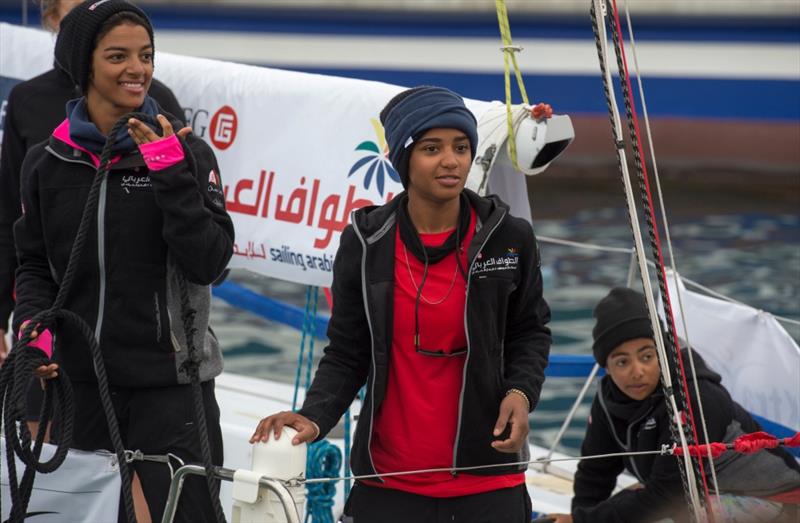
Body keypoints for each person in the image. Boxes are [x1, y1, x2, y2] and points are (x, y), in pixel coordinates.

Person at [251, 86, 553, 522]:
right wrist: (313, 417)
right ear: (403, 159)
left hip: (488, 477)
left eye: (461, 147)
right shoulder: (366, 240)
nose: (451, 160)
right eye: (432, 148)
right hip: (388, 480)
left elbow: (530, 330)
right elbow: (347, 351)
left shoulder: (509, 236)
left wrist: (522, 393)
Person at [11, 1, 234, 522]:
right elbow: (36, 267)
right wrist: (33, 337)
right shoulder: (47, 161)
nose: (138, 68)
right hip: (79, 384)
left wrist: (171, 176)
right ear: (83, 64)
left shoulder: (187, 151)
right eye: (118, 56)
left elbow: (212, 264)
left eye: (146, 54)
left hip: (173, 389)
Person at [0, 0, 184, 365]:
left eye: (144, 56)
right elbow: (14, 226)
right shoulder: (29, 104)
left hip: (145, 353)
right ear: (53, 21)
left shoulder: (160, 104)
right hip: (57, 334)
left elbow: (204, 254)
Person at [549, 287, 800, 523]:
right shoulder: (609, 399)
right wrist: (579, 516)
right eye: (622, 362)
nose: (637, 372)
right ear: (607, 367)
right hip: (701, 492)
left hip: (779, 501)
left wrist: (583, 521)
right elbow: (595, 473)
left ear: (664, 351)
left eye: (647, 356)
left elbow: (668, 496)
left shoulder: (697, 397)